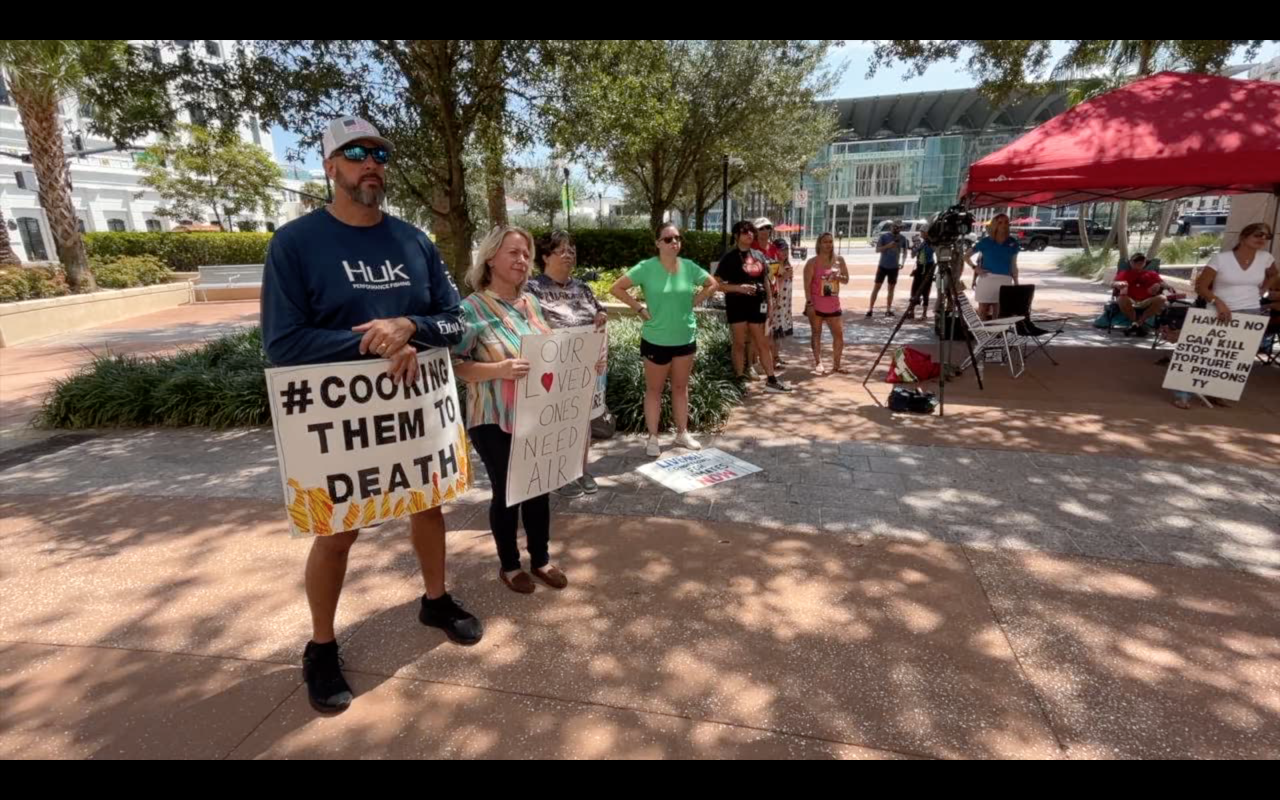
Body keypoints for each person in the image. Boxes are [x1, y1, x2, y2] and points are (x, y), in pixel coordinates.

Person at [261, 116, 481, 715]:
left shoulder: (415, 242)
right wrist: (378, 342)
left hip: (412, 414)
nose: (371, 163)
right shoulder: (295, 244)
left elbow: (458, 324)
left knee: (428, 505)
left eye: (380, 153)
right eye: (356, 153)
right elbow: (284, 343)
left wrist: (410, 325)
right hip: (343, 426)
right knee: (337, 531)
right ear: (330, 166)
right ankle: (321, 646)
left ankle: (435, 599)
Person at [452, 225, 568, 595]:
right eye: (513, 253)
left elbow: (548, 350)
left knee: (538, 486)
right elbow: (455, 365)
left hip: (534, 413)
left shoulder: (530, 303)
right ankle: (508, 564)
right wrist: (498, 370)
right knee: (508, 490)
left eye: (526, 254)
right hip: (492, 416)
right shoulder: (470, 309)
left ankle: (541, 559)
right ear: (490, 258)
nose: (522, 260)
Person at [609, 223, 720, 457]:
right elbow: (616, 288)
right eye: (668, 239)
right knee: (654, 389)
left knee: (681, 388)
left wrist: (694, 302)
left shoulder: (689, 267)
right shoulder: (646, 268)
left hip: (684, 338)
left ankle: (682, 433)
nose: (674, 242)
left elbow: (712, 284)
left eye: (678, 238)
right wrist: (639, 309)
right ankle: (653, 437)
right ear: (658, 243)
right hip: (656, 339)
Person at [527, 229, 608, 498]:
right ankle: (557, 472)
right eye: (561, 250)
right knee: (554, 421)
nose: (569, 254)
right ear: (546, 256)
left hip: (583, 367)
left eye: (571, 249)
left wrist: (600, 318)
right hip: (550, 368)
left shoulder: (582, 287)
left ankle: (580, 469)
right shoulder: (533, 289)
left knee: (581, 420)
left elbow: (600, 312)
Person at [1171, 222, 1277, 409]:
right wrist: (1217, 302)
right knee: (1203, 353)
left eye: (1266, 236)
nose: (1262, 239)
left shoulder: (1266, 258)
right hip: (1218, 310)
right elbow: (1201, 286)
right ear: (1243, 237)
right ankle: (1183, 394)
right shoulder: (1221, 259)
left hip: (1250, 310)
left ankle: (1217, 392)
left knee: (1235, 356)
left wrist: (1264, 290)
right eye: (1258, 235)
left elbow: (1273, 274)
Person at [716, 220, 794, 395]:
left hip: (758, 305)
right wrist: (738, 288)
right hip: (736, 305)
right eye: (745, 232)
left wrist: (771, 304)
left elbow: (766, 280)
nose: (750, 234)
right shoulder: (729, 258)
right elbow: (717, 284)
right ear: (737, 236)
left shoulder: (758, 255)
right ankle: (738, 382)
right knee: (738, 344)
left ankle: (771, 380)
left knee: (763, 343)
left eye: (752, 231)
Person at [803, 232, 848, 374]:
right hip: (816, 303)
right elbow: (807, 285)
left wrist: (838, 276)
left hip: (833, 304)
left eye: (830, 242)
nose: (828, 245)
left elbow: (846, 279)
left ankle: (837, 365)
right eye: (825, 242)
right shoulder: (812, 262)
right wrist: (809, 303)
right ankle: (818, 362)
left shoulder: (839, 260)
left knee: (839, 335)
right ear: (819, 244)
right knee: (816, 333)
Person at [965, 213, 1020, 320]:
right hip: (987, 278)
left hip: (1005, 280)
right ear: (995, 225)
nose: (1003, 225)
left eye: (1006, 222)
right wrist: (975, 267)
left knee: (999, 312)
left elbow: (1013, 265)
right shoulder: (985, 242)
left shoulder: (1013, 242)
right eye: (1000, 222)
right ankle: (984, 335)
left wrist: (1016, 283)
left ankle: (997, 335)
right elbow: (966, 256)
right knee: (982, 310)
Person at [1113, 252, 1168, 337]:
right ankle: (1139, 325)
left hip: (1147, 300)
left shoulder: (1152, 274)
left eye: (1141, 261)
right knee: (1121, 299)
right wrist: (1118, 284)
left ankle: (1137, 323)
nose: (1139, 263)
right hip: (1130, 299)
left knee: (1162, 298)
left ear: (1145, 262)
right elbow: (1113, 283)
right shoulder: (1124, 273)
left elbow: (1163, 283)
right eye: (1136, 261)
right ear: (1130, 262)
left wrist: (1162, 286)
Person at [867, 220, 907, 318]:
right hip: (883, 266)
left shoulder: (903, 238)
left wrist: (902, 262)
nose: (896, 229)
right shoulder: (884, 237)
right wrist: (888, 246)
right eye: (895, 226)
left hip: (894, 267)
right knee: (877, 287)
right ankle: (870, 309)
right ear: (891, 227)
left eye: (899, 227)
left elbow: (905, 251)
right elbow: (877, 249)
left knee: (891, 289)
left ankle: (888, 310)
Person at [904, 230, 937, 322]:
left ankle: (924, 313)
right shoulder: (920, 243)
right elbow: (912, 255)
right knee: (914, 289)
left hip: (928, 268)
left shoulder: (931, 243)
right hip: (919, 267)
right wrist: (915, 247)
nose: (922, 234)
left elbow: (934, 251)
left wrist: (929, 243)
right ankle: (912, 312)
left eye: (923, 232)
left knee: (926, 290)